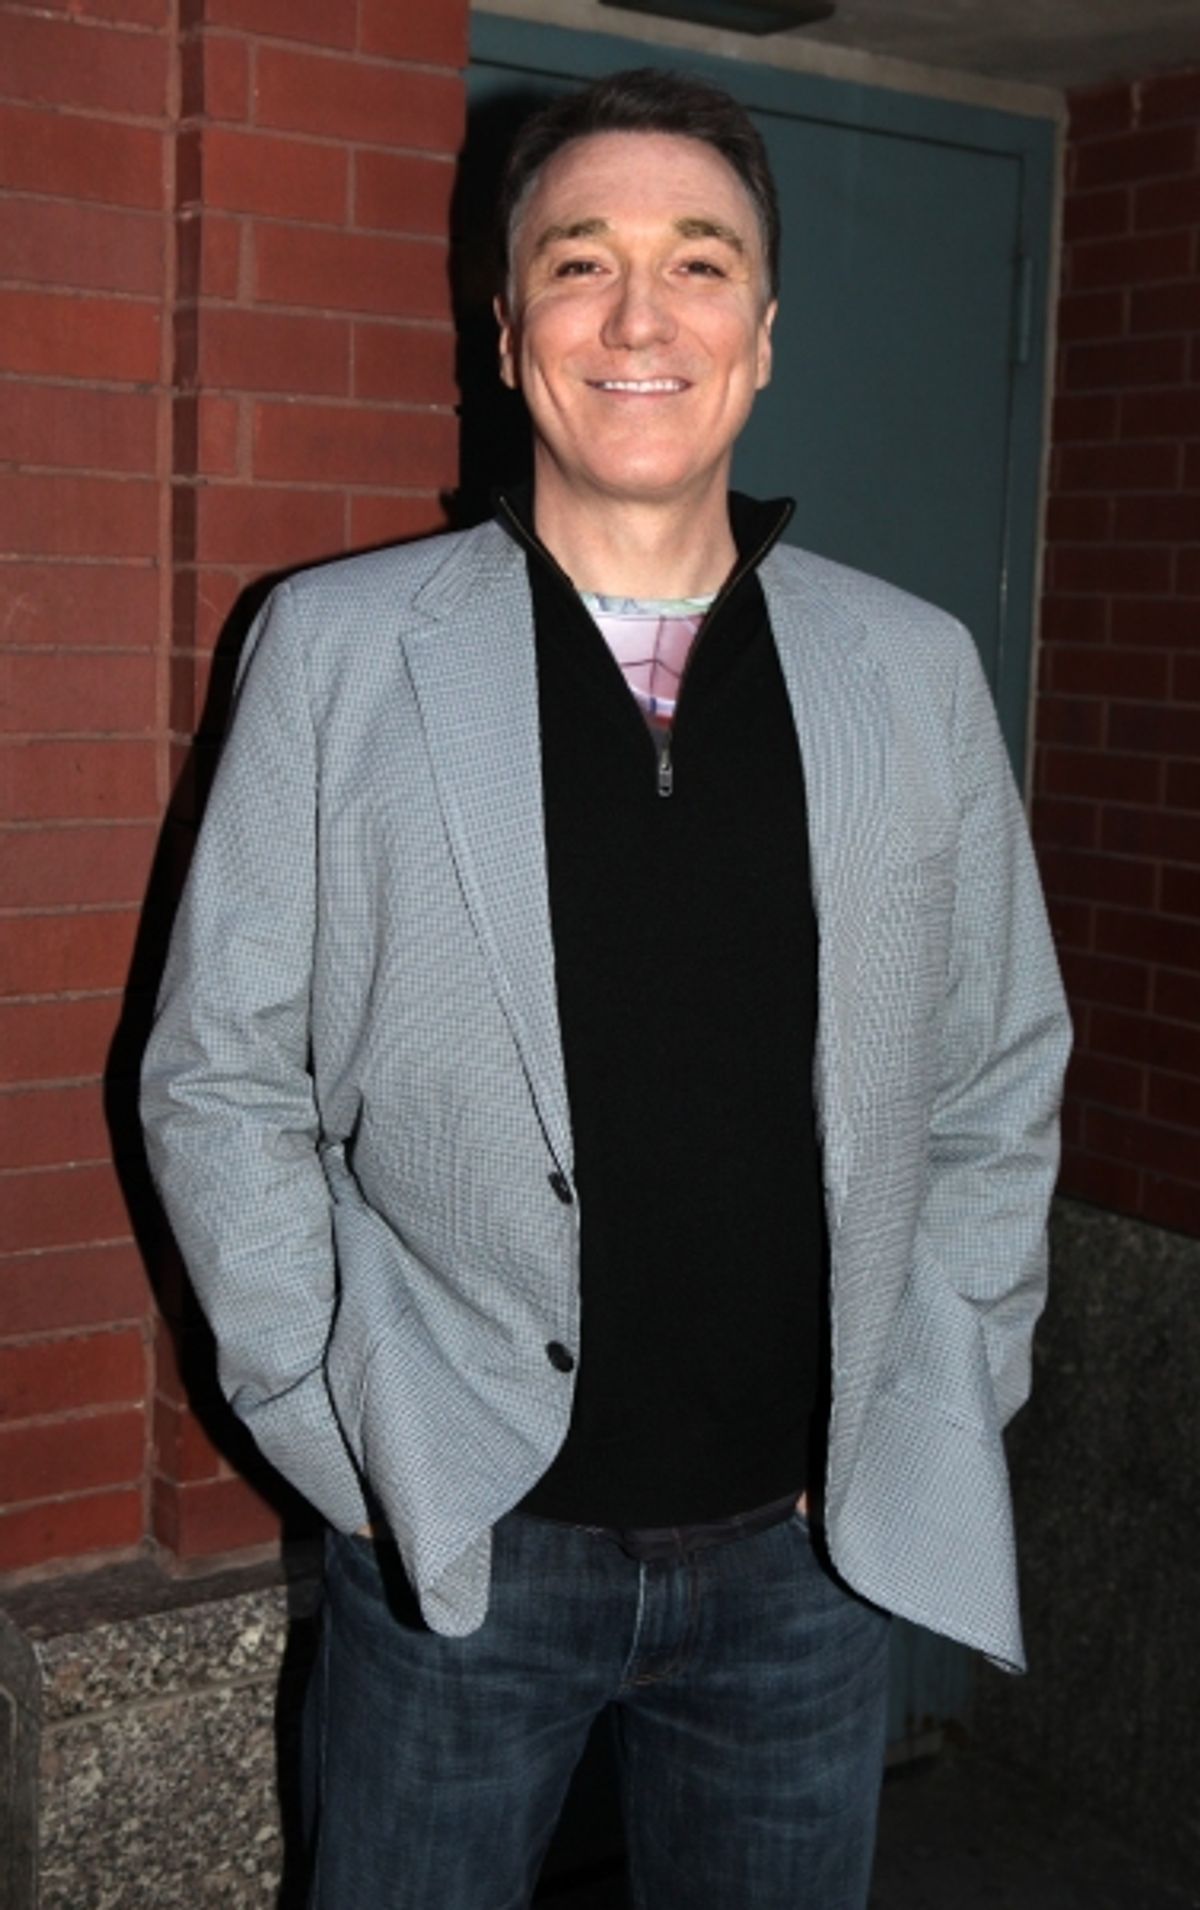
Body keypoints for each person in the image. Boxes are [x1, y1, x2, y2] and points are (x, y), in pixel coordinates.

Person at [141, 67, 1071, 1910]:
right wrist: (347, 1426)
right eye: (582, 263)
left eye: (699, 262)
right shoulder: (337, 650)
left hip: (809, 1569)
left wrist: (933, 1391)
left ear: (766, 332)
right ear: (507, 331)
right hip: (467, 1545)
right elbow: (221, 1080)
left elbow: (995, 1082)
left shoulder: (913, 670)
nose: (641, 317)